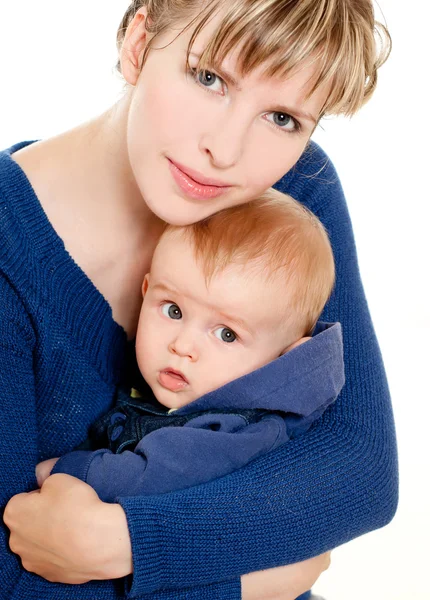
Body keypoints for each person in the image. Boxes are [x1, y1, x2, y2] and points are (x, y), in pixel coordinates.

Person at [1, 1, 397, 599]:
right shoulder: (9, 250)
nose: (227, 150)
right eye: (209, 78)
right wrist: (247, 581)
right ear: (138, 43)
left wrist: (128, 543)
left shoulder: (289, 193)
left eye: (284, 117)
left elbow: (359, 470)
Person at [35, 191, 345, 500]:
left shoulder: (232, 431)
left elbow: (146, 477)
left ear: (284, 361)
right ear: (146, 291)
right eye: (173, 310)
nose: (182, 346)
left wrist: (68, 470)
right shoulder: (142, 378)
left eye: (226, 334)